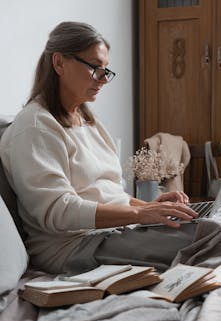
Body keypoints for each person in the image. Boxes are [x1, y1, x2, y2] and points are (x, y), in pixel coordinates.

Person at [0, 22, 198, 275]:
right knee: (210, 237)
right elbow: (57, 211)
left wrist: (151, 208)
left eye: (106, 70)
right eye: (95, 68)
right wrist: (140, 213)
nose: (104, 79)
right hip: (73, 246)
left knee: (217, 222)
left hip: (114, 231)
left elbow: (106, 194)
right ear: (59, 63)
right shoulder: (35, 127)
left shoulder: (89, 122)